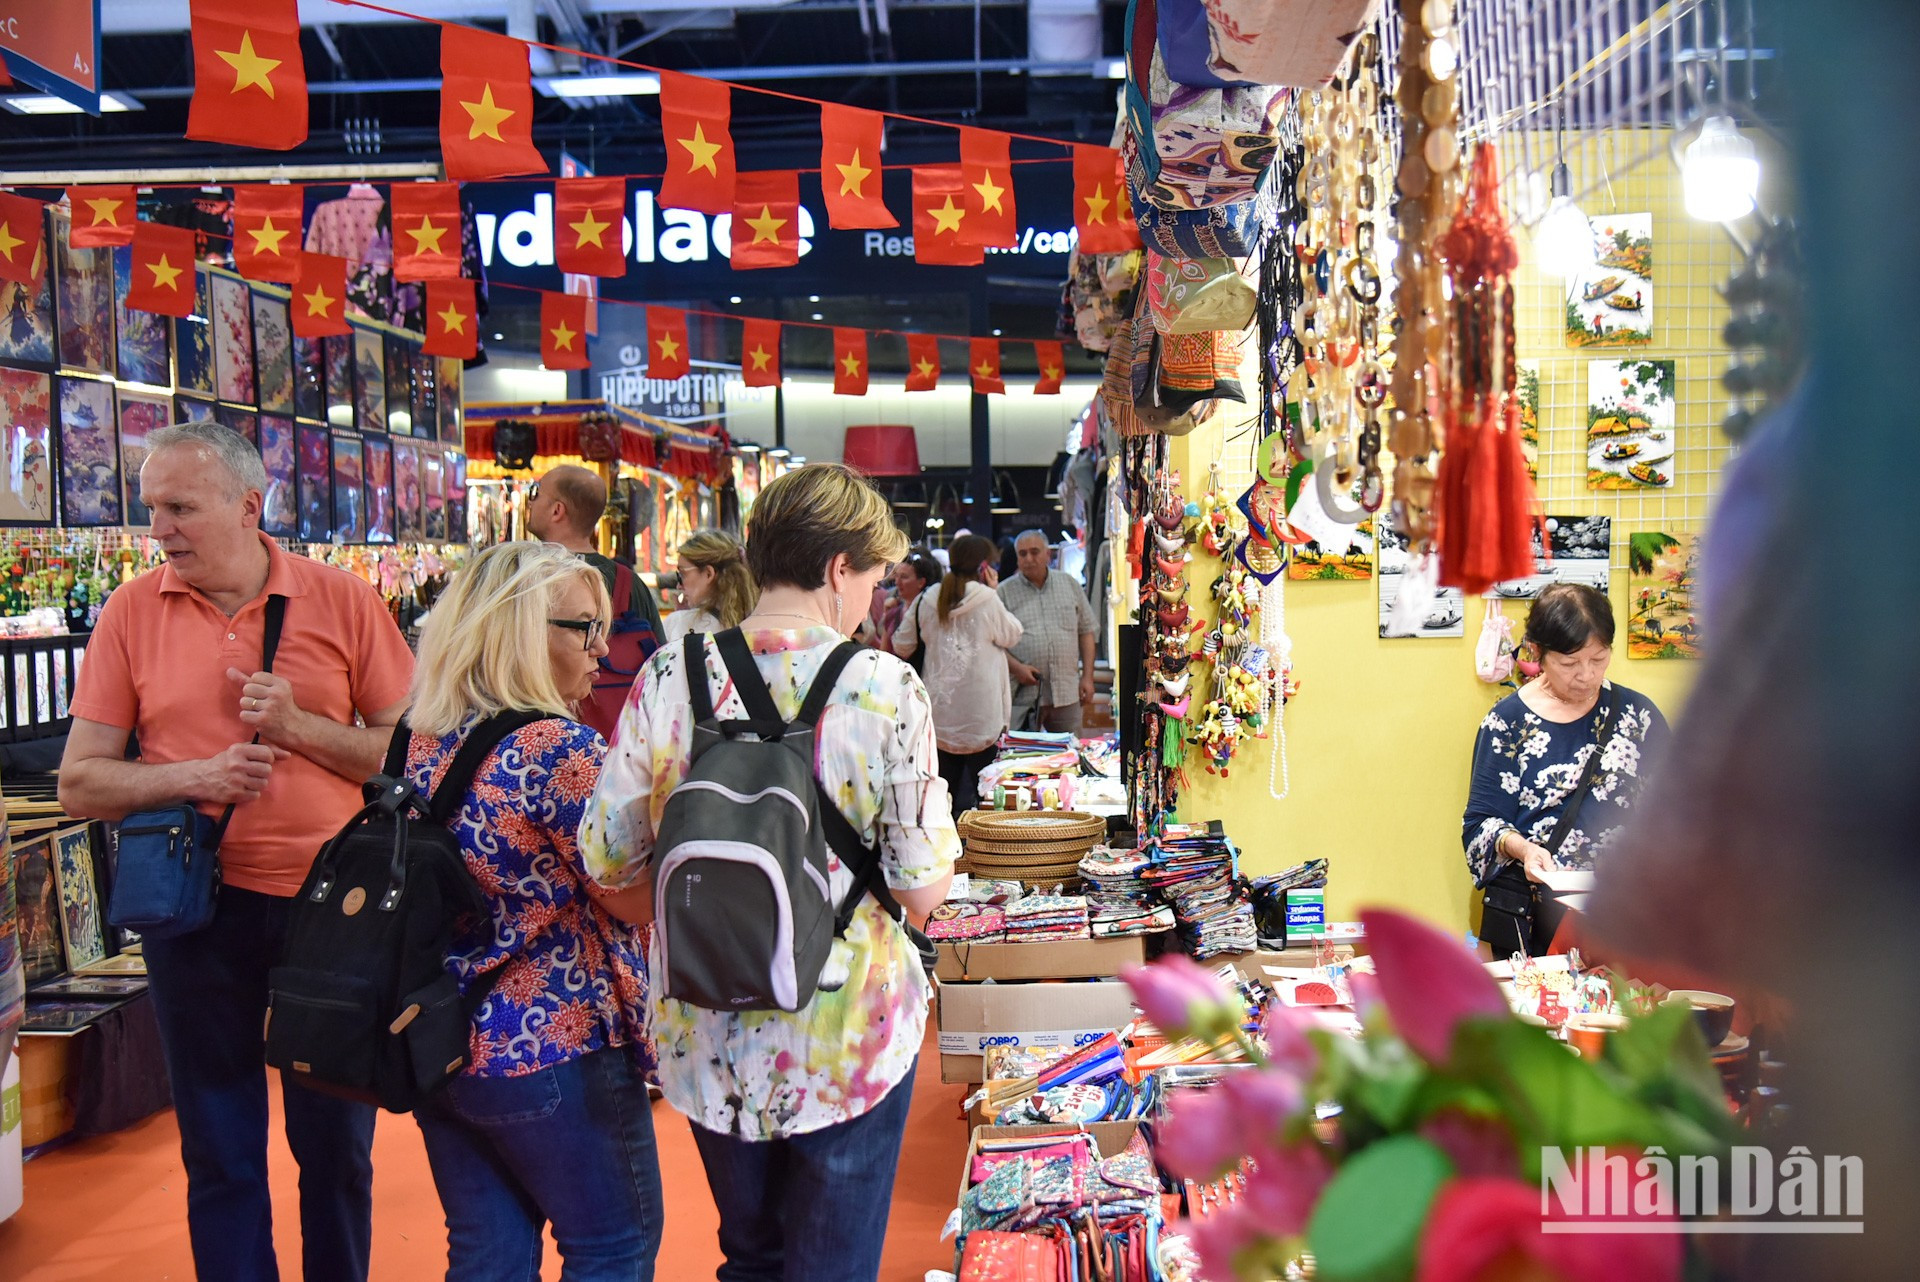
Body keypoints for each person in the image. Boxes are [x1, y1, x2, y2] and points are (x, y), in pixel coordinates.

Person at [579, 463, 958, 1282]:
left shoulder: (669, 676)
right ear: (837, 570)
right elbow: (925, 893)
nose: (873, 598)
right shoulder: (886, 687)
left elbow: (605, 859)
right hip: (848, 1031)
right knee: (832, 1264)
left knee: (749, 1257)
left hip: (706, 1020)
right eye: (874, 577)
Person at [58, 422, 415, 1282]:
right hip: (193, 914)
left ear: (250, 507)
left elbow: (412, 754)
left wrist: (297, 728)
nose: (160, 530)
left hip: (330, 915)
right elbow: (80, 784)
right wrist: (197, 773)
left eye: (180, 507)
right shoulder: (130, 612)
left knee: (335, 1151)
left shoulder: (343, 601)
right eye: (153, 509)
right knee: (218, 1150)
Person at [402, 541, 662, 1282]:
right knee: (613, 1243)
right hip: (556, 1043)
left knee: (488, 1251)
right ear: (518, 629)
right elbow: (630, 896)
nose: (602, 648)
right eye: (582, 627)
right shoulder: (559, 749)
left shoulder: (423, 740)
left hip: (443, 1035)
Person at [1461, 583, 1669, 957]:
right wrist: (1523, 850)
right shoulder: (1506, 723)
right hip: (1536, 918)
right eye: (1570, 663)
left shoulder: (1639, 717)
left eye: (1599, 659)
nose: (1587, 675)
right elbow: (1480, 824)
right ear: (1537, 652)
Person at [526, 465, 662, 741]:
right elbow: (660, 662)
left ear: (557, 510)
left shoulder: (525, 578)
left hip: (536, 733)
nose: (530, 501)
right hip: (617, 739)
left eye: (536, 493)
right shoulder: (628, 582)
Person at [894, 533, 1024, 813]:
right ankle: (982, 852)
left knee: (940, 800)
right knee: (987, 800)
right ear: (983, 566)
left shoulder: (927, 599)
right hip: (983, 717)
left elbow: (901, 644)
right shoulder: (988, 598)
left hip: (939, 717)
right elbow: (1012, 634)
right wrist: (995, 590)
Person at [999, 529, 1097, 735]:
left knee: (1069, 757)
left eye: (1034, 552)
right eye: (1022, 554)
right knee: (1023, 759)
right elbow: (993, 644)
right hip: (1023, 694)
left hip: (1066, 691)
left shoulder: (1069, 584)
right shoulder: (1003, 592)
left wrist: (1088, 677)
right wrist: (1017, 668)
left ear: (1047, 554)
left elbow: (1086, 630)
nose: (1029, 558)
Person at [661, 528, 756, 643]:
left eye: (682, 574)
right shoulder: (755, 624)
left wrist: (683, 617)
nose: (678, 586)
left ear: (708, 574)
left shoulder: (677, 624)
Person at [875, 549, 943, 669]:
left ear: (921, 582)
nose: (897, 582)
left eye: (904, 577)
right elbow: (883, 654)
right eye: (897, 576)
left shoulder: (932, 613)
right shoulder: (893, 612)